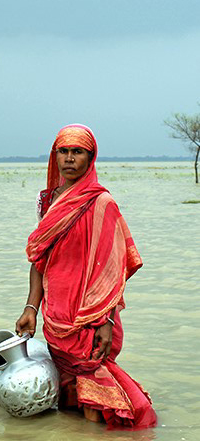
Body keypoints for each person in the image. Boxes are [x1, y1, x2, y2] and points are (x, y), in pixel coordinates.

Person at [15, 124, 157, 429]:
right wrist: (30, 308)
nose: (69, 158)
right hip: (55, 312)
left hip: (90, 314)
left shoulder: (101, 203)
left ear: (90, 158)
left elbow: (114, 268)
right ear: (55, 156)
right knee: (70, 392)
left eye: (77, 152)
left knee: (94, 384)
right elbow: (40, 258)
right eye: (63, 151)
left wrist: (105, 320)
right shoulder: (49, 201)